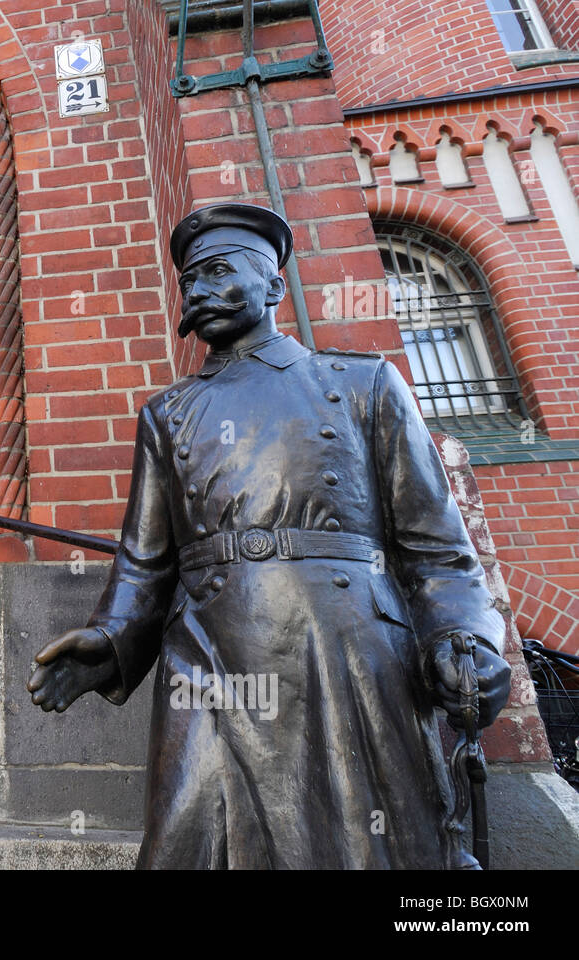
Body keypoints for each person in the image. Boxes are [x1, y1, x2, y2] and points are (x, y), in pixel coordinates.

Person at [26, 202, 511, 869]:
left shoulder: (365, 385)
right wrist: (111, 639)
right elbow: (146, 560)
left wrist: (464, 639)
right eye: (190, 280)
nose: (199, 291)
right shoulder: (167, 414)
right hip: (207, 656)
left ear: (275, 286)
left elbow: (438, 550)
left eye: (220, 272)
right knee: (188, 838)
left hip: (343, 650)